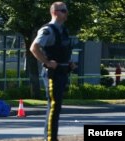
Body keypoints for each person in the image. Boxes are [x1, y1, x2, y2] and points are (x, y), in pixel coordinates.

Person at [30, 2, 76, 141]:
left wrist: (69, 63)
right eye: (63, 11)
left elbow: (62, 52)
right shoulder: (48, 30)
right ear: (55, 12)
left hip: (62, 72)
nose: (66, 13)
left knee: (57, 107)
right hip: (52, 74)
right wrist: (47, 62)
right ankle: (49, 138)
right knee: (54, 106)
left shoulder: (64, 30)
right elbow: (34, 48)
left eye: (66, 11)